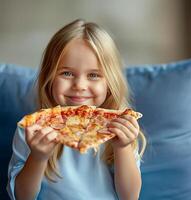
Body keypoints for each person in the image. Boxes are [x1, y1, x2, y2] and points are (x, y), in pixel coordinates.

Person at [7, 19, 146, 200]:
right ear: (49, 78)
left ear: (110, 83)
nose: (79, 85)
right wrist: (38, 157)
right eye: (67, 73)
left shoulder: (121, 129)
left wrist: (123, 148)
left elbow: (130, 196)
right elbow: (22, 196)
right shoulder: (32, 129)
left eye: (94, 75)